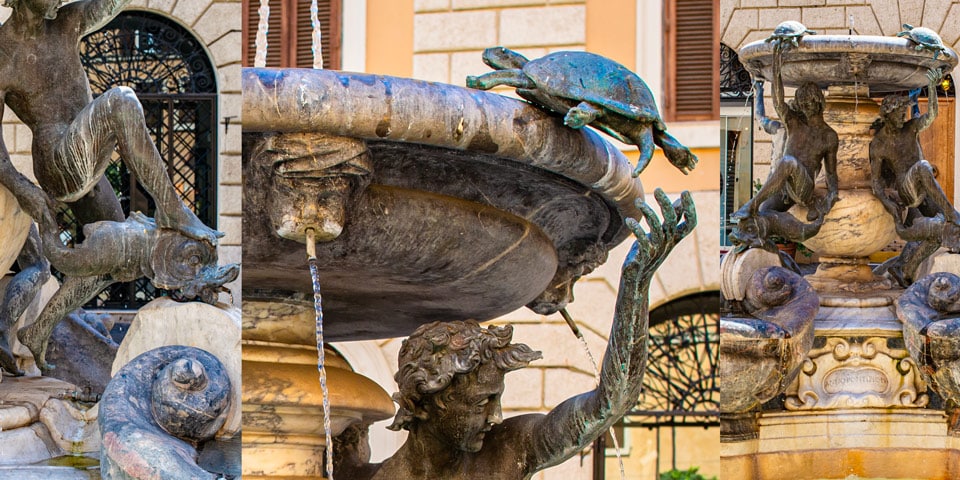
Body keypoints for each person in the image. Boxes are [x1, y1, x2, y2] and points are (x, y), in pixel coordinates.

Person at [335, 189, 695, 479]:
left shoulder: (509, 452)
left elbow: (609, 404)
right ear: (425, 403)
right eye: (481, 403)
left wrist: (635, 284)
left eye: (495, 399)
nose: (495, 417)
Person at [0, 0, 221, 243]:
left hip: (88, 159)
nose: (60, 0)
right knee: (121, 101)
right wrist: (23, 189)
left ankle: (81, 282)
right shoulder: (3, 54)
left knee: (118, 254)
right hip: (58, 165)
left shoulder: (65, 22)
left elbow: (107, 5)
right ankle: (173, 210)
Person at [733, 42, 839, 225]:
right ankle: (791, 230)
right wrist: (776, 64)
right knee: (762, 216)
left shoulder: (829, 136)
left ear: (819, 102)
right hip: (785, 188)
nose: (806, 107)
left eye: (810, 103)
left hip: (803, 190)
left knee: (788, 161)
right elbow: (778, 101)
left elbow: (831, 173)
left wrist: (831, 196)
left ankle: (751, 204)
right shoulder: (795, 123)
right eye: (803, 103)